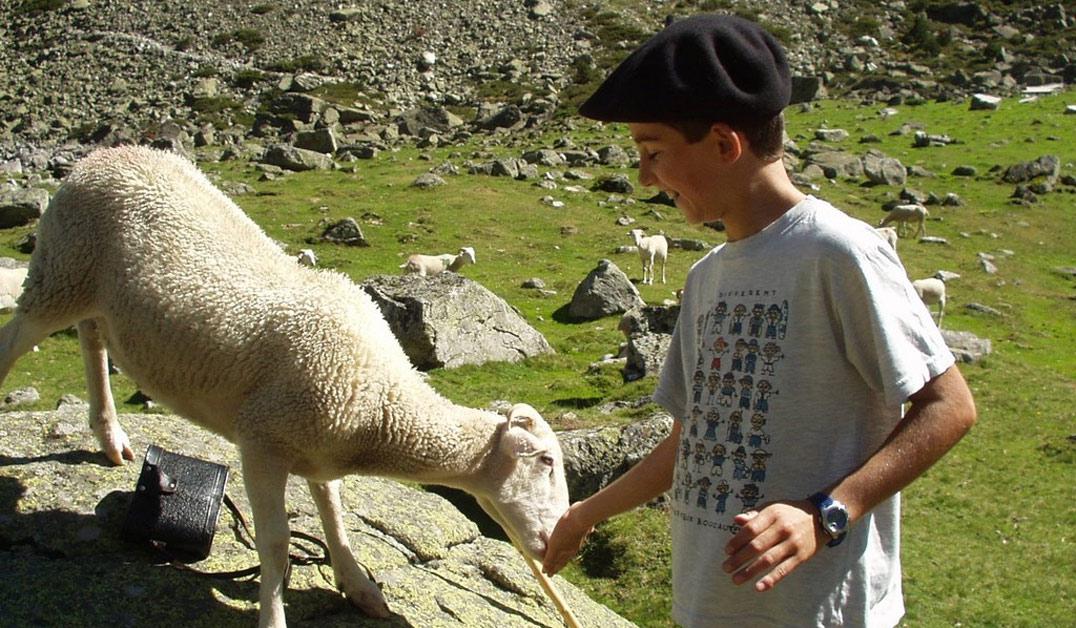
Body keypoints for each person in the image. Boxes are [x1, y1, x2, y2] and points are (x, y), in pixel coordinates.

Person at [541, 13, 977, 628]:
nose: (643, 177)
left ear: (724, 144)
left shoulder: (838, 252)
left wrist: (827, 512)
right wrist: (584, 515)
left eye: (653, 151)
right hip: (709, 607)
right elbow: (693, 441)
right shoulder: (706, 277)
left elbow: (949, 407)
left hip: (820, 612)